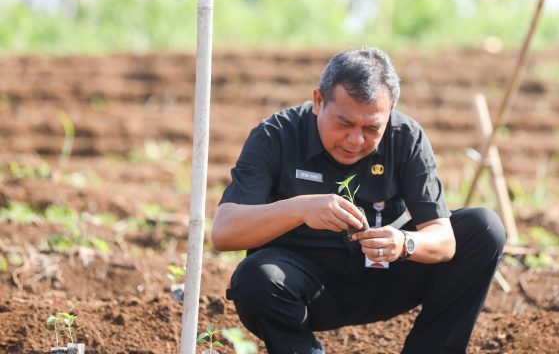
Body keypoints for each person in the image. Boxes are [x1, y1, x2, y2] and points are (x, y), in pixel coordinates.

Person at [211, 47, 506, 354]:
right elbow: (224, 231)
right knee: (256, 279)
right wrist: (301, 208)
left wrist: (404, 243)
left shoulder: (406, 138)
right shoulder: (276, 136)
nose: (356, 140)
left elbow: (444, 241)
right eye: (344, 124)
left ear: (389, 112)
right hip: (306, 286)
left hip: (382, 278)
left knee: (484, 229)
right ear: (318, 102)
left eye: (371, 128)